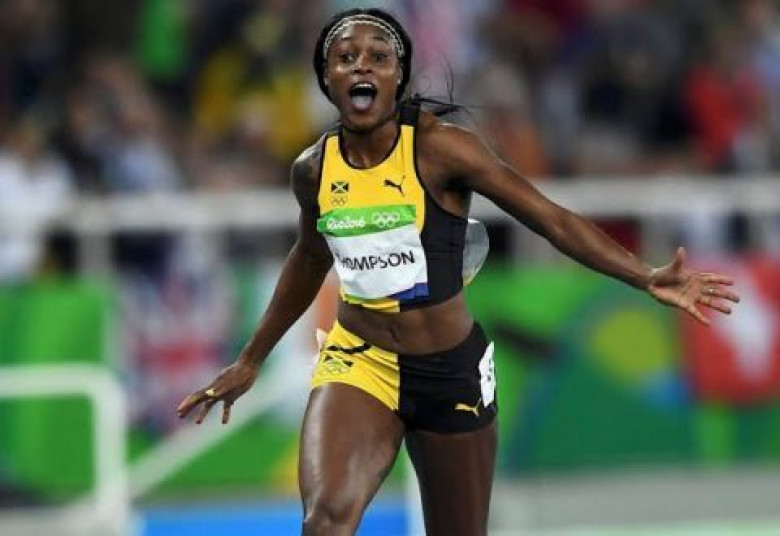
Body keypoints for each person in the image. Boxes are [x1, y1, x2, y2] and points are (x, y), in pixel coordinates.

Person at [177, 8, 741, 535]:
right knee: (324, 522)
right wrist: (251, 358)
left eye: (379, 57)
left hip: (450, 372)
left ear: (399, 76)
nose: (362, 67)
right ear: (328, 79)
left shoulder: (442, 151)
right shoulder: (313, 170)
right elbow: (309, 256)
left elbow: (552, 219)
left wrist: (644, 275)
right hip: (359, 361)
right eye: (346, 58)